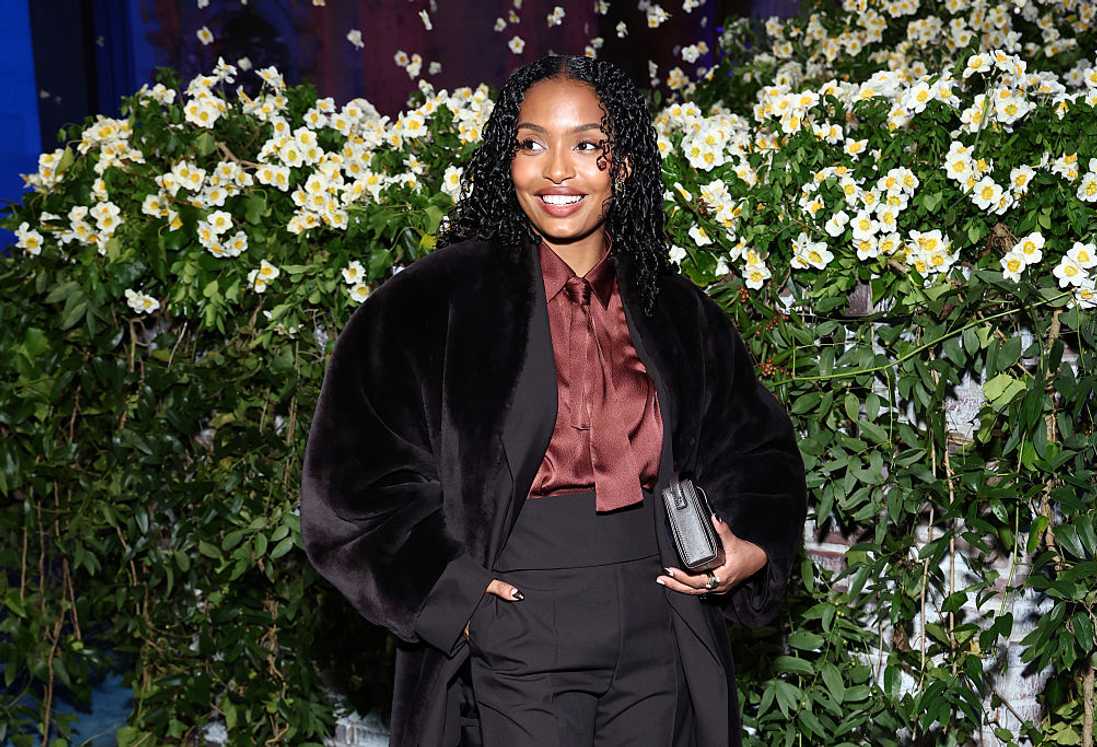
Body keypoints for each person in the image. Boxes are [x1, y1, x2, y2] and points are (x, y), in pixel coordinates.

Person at [300, 54, 807, 747]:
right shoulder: (429, 306)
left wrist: (750, 544)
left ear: (622, 165)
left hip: (663, 611)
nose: (557, 170)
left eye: (587, 145)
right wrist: (457, 596)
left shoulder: (675, 308)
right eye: (532, 143)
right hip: (519, 619)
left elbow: (756, 447)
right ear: (506, 161)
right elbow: (351, 486)